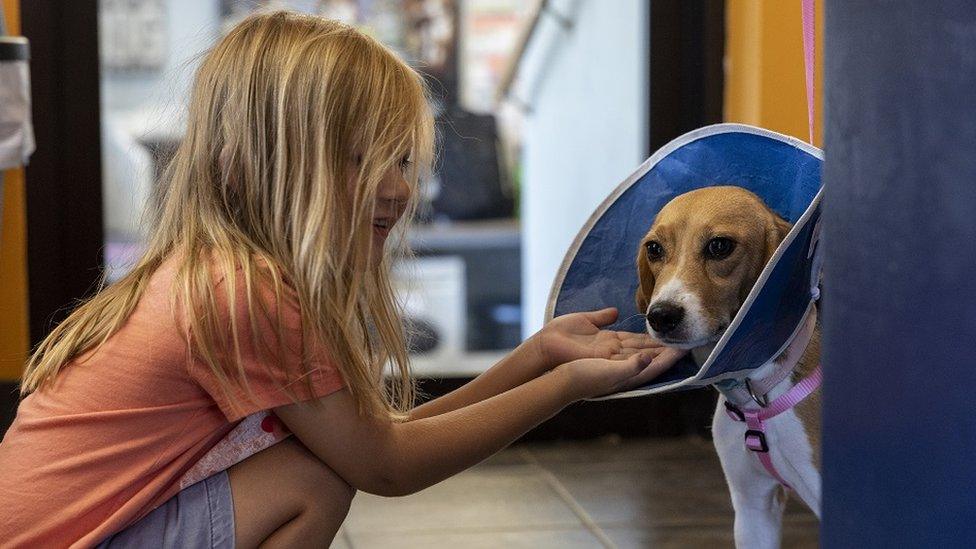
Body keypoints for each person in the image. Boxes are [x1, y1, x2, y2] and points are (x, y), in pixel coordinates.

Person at [0, 11, 684, 548]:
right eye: (361, 159)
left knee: (320, 459)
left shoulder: (218, 272)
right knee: (311, 476)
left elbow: (381, 437)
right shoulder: (242, 294)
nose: (397, 188)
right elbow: (384, 466)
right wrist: (564, 386)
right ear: (257, 168)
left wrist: (537, 357)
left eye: (402, 160)